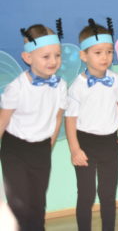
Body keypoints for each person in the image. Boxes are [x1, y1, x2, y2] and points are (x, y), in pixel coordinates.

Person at [0, 21, 67, 231]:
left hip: (41, 149)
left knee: (38, 204)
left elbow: (58, 118)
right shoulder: (17, 88)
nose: (53, 61)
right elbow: (3, 121)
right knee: (20, 204)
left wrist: (48, 145)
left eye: (57, 55)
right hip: (15, 149)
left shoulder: (61, 86)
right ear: (28, 57)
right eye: (46, 56)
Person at [65, 18, 118, 231]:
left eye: (109, 52)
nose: (105, 57)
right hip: (85, 143)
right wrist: (75, 149)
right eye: (98, 52)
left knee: (108, 194)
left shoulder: (116, 80)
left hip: (109, 142)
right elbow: (70, 119)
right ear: (84, 55)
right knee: (86, 194)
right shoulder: (77, 86)